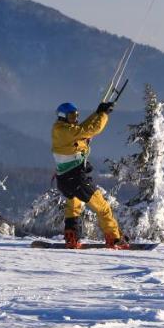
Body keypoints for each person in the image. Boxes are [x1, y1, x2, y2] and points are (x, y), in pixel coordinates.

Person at [51, 100, 127, 249]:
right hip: (77, 180)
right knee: (103, 208)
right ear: (62, 116)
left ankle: (71, 237)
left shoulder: (61, 130)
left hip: (64, 181)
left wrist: (97, 112)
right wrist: (104, 114)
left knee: (73, 206)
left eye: (76, 115)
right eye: (72, 116)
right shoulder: (67, 132)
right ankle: (114, 238)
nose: (75, 119)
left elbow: (83, 127)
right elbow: (92, 129)